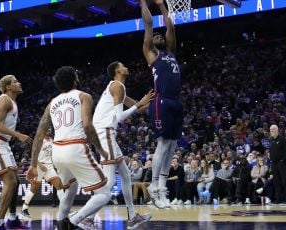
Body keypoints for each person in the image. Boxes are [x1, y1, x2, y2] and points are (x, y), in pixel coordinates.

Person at [26, 66, 111, 229]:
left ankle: (60, 221)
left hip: (57, 151)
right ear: (75, 80)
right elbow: (87, 125)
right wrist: (101, 150)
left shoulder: (52, 103)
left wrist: (32, 164)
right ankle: (73, 221)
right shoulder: (84, 96)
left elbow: (39, 134)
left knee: (70, 187)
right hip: (75, 147)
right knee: (104, 193)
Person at [81, 61, 153, 229]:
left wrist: (152, 101)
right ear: (117, 71)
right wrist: (138, 104)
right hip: (105, 133)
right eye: (123, 65)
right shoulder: (117, 86)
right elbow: (120, 117)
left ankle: (132, 217)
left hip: (106, 134)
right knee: (109, 182)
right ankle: (87, 218)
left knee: (126, 175)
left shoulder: (118, 88)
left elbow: (139, 107)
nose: (126, 67)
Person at [141, 0, 183, 209]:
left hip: (176, 101)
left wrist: (162, 5)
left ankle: (162, 188)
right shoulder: (151, 54)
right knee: (163, 144)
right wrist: (143, 2)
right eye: (155, 36)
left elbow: (170, 26)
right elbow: (149, 25)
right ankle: (154, 185)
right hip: (161, 101)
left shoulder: (171, 51)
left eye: (160, 36)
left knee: (173, 145)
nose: (158, 36)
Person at [0, 75, 33, 230]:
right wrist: (18, 135)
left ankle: (12, 219)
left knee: (15, 182)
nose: (19, 83)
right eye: (16, 81)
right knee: (10, 181)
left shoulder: (12, 102)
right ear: (8, 87)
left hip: (3, 143)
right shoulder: (4, 99)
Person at [21, 129, 64, 219]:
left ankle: (64, 209)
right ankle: (24, 209)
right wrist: (40, 165)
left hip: (49, 166)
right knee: (34, 188)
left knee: (59, 185)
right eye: (46, 128)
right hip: (39, 166)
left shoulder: (52, 140)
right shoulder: (40, 140)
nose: (48, 130)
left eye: (49, 128)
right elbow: (34, 154)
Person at [269, 124, 286, 204]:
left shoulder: (282, 139)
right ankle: (279, 199)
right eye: (271, 130)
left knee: (284, 181)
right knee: (276, 182)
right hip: (274, 164)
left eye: (274, 130)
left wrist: (282, 161)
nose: (272, 131)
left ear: (277, 130)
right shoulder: (271, 140)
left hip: (282, 164)